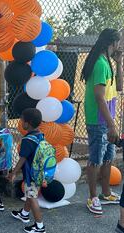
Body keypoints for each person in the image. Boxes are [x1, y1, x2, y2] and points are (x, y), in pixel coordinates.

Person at [81, 28, 122, 215]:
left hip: (108, 118)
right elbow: (99, 97)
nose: (120, 46)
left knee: (108, 157)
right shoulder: (100, 64)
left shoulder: (108, 62)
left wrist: (119, 63)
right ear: (112, 43)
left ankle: (105, 193)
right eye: (118, 43)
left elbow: (119, 87)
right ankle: (92, 197)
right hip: (99, 120)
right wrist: (112, 124)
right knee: (95, 159)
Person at [7, 108, 45, 233]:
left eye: (22, 120)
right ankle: (24, 214)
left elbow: (22, 159)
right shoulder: (40, 135)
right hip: (39, 171)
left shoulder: (27, 140)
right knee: (31, 194)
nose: (20, 122)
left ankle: (40, 226)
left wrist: (13, 173)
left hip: (31, 174)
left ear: (27, 123)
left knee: (32, 196)